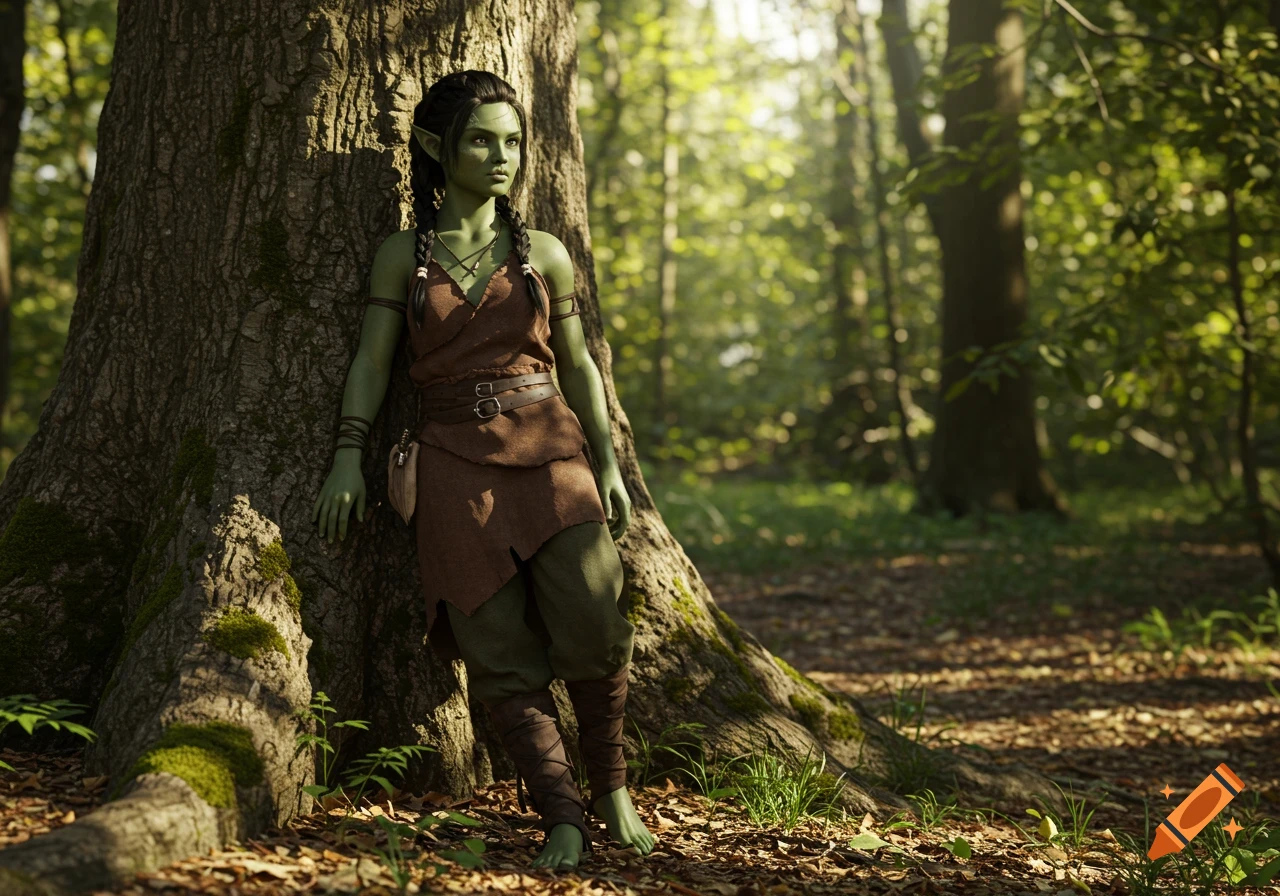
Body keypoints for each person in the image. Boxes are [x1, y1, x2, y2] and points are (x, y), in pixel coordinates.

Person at [311, 70, 655, 871]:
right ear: (436, 148)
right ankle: (562, 813)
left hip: (552, 454)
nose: (502, 157)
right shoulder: (405, 255)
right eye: (480, 140)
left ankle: (611, 786)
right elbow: (371, 359)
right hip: (451, 469)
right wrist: (347, 458)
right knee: (495, 645)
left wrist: (607, 465)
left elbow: (579, 361)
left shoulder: (545, 255)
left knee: (597, 622)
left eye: (512, 142)